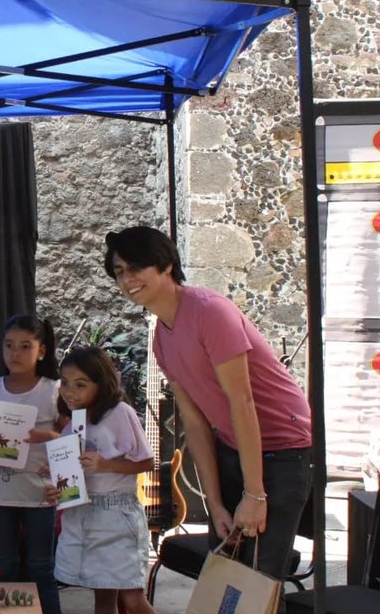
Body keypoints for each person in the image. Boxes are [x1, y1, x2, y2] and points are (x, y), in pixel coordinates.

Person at [103, 226, 313, 600]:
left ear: (166, 265)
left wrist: (255, 494)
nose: (127, 280)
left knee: (256, 585)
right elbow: (196, 423)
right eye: (119, 272)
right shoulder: (161, 337)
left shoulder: (209, 311)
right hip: (232, 446)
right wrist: (214, 504)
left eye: (136, 268)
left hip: (283, 448)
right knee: (225, 575)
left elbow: (242, 403)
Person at [34, 347, 155, 614]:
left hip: (117, 517)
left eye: (80, 385)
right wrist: (56, 482)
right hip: (85, 514)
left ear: (100, 385)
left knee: (132, 599)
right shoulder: (74, 423)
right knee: (103, 598)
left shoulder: (120, 413)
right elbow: (75, 477)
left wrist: (106, 464)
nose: (69, 392)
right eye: (64, 383)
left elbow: (147, 462)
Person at [0, 314, 63, 614]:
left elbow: (71, 438)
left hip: (40, 492)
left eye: (24, 346)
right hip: (0, 491)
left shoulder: (52, 391)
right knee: (2, 564)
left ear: (41, 351)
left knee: (41, 566)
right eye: (9, 346)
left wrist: (61, 477)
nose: (15, 354)